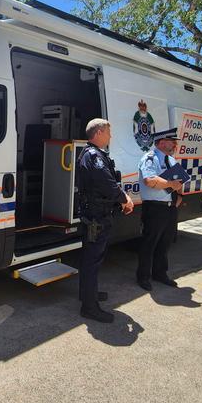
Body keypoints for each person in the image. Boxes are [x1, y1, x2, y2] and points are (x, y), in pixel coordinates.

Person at [77, 118, 134, 323]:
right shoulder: (94, 155)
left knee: (91, 258)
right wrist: (124, 199)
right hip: (97, 215)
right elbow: (107, 183)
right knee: (92, 260)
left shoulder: (89, 154)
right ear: (99, 132)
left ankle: (87, 295)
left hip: (94, 213)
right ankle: (89, 307)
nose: (110, 136)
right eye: (108, 132)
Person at [136, 128, 184, 291]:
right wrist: (171, 184)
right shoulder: (150, 158)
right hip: (154, 208)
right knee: (149, 244)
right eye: (172, 141)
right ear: (162, 142)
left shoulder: (170, 159)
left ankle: (160, 273)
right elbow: (150, 180)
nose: (175, 144)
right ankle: (143, 277)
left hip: (170, 208)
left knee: (165, 243)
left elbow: (179, 180)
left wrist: (179, 195)